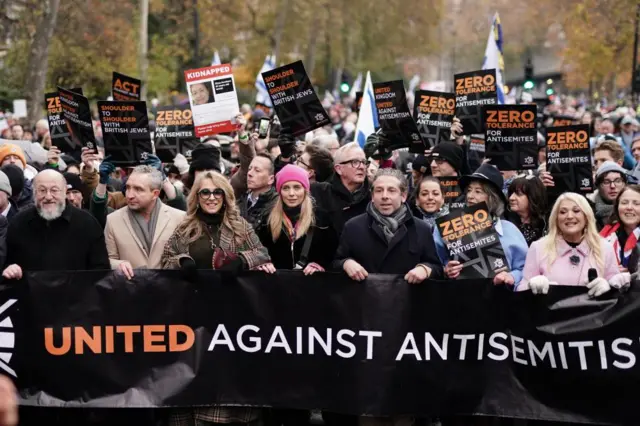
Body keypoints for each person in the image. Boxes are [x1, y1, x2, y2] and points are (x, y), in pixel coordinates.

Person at [333, 168, 442, 426]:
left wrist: (425, 269)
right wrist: (346, 263)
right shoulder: (353, 227)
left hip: (405, 328)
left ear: (403, 196)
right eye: (379, 190)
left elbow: (436, 267)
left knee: (402, 402)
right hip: (365, 327)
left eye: (391, 190)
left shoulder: (421, 230)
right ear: (372, 195)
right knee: (369, 402)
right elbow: (336, 261)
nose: (385, 196)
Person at [2, 170, 109, 279]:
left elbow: (101, 272)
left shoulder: (87, 224)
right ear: (34, 193)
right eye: (42, 190)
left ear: (65, 191)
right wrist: (9, 270)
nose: (48, 196)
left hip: (76, 295)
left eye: (54, 190)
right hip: (30, 295)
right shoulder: (19, 223)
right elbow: (7, 264)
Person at [518, 192, 628, 295]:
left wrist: (608, 287)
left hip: (593, 314)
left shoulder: (604, 248)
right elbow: (521, 289)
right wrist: (530, 286)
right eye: (562, 212)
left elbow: (615, 287)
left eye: (576, 211)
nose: (569, 216)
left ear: (586, 217)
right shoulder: (538, 247)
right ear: (556, 219)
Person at [438, 164, 528, 287]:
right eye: (469, 190)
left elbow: (526, 269)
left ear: (493, 198)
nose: (470, 196)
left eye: (478, 191)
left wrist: (511, 276)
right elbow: (433, 264)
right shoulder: (449, 228)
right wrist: (445, 270)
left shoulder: (510, 230)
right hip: (460, 298)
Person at [104, 165, 185, 278]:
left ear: (155, 194)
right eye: (128, 187)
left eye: (138, 189)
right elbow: (107, 260)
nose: (130, 195)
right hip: (130, 290)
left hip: (169, 291)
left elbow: (186, 257)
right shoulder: (113, 219)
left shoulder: (179, 218)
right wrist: (118, 264)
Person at [257, 164, 336, 273]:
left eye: (297, 187)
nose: (291, 193)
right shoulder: (267, 219)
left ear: (305, 190)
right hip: (278, 285)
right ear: (280, 191)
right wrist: (263, 263)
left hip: (311, 285)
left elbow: (333, 253)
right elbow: (258, 251)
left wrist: (320, 265)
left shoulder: (322, 218)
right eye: (286, 188)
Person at [311, 142, 371, 237]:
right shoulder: (319, 192)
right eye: (354, 162)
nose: (362, 167)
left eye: (364, 162)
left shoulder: (374, 195)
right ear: (339, 169)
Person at [600, 185, 640, 271]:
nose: (629, 207)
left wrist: (631, 272)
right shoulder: (605, 235)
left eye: (636, 204)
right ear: (617, 207)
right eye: (624, 203)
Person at [237, 152, 278, 229]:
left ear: (271, 179)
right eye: (250, 169)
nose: (249, 173)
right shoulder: (239, 202)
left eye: (257, 170)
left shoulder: (276, 206)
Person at [505, 175, 548, 245]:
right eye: (511, 193)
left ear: (533, 196)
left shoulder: (546, 223)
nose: (511, 198)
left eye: (519, 194)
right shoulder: (503, 220)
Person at [588, 161, 628, 230]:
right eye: (606, 182)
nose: (612, 186)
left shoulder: (635, 208)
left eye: (618, 181)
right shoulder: (588, 211)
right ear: (598, 186)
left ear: (624, 184)